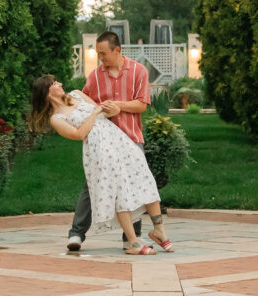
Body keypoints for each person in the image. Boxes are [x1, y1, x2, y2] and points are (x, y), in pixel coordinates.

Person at [29, 74, 174, 256]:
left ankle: (158, 229)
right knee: (120, 190)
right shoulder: (57, 118)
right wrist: (96, 113)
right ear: (47, 92)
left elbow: (104, 112)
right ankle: (133, 241)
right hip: (99, 149)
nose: (59, 83)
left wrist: (111, 109)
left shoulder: (76, 94)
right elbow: (80, 134)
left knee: (145, 177)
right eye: (54, 83)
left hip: (118, 138)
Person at [67, 31, 152, 252]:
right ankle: (76, 234)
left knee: (132, 185)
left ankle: (131, 237)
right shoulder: (95, 76)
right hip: (102, 140)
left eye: (104, 53)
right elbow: (85, 102)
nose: (100, 58)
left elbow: (142, 105)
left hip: (131, 137)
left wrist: (118, 106)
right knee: (91, 184)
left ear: (117, 50)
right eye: (98, 53)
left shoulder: (138, 71)